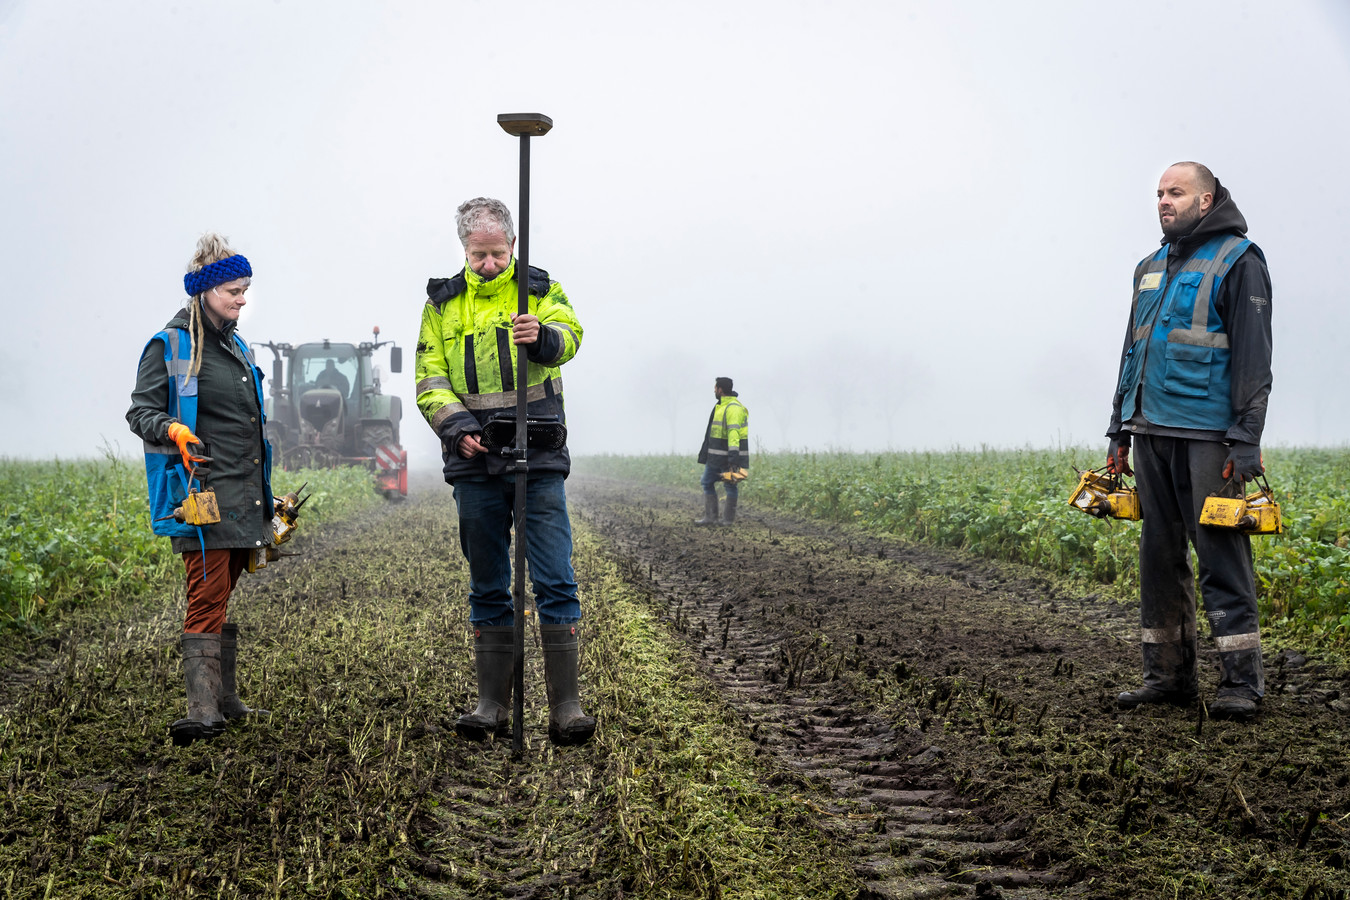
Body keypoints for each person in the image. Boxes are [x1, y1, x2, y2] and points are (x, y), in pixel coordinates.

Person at [415, 197, 594, 746]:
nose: (489, 264)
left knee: (553, 575)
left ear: (512, 246)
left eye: (497, 253)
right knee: (488, 580)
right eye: (478, 255)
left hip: (537, 456)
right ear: (464, 250)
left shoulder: (539, 291)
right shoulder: (441, 305)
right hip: (473, 462)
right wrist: (456, 427)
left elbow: (572, 338)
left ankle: (566, 707)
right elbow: (428, 376)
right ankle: (491, 703)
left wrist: (540, 336)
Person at [1106, 162, 1273, 721]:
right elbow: (1133, 352)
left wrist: (1244, 440)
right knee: (1158, 557)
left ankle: (1240, 684)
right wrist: (1118, 428)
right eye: (1158, 193)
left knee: (1221, 555)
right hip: (1149, 431)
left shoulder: (1239, 260)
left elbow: (1254, 358)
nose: (1163, 201)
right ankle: (1167, 678)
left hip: (1209, 437)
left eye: (1175, 192)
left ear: (1206, 201)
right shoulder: (1149, 267)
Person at [127, 233, 273, 747]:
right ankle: (203, 710)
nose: (241, 298)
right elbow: (140, 412)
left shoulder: (236, 346)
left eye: (246, 289)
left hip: (244, 492)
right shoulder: (169, 345)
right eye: (234, 289)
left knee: (223, 593)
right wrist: (175, 430)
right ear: (205, 291)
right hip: (201, 494)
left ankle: (224, 701)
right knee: (206, 595)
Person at [695, 376, 749, 526]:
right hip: (715, 457)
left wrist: (733, 458)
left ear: (720, 389)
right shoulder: (721, 406)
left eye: (715, 388)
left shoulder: (733, 408)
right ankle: (710, 518)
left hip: (727, 458)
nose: (714, 390)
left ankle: (727, 520)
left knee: (730, 486)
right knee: (706, 482)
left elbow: (733, 434)